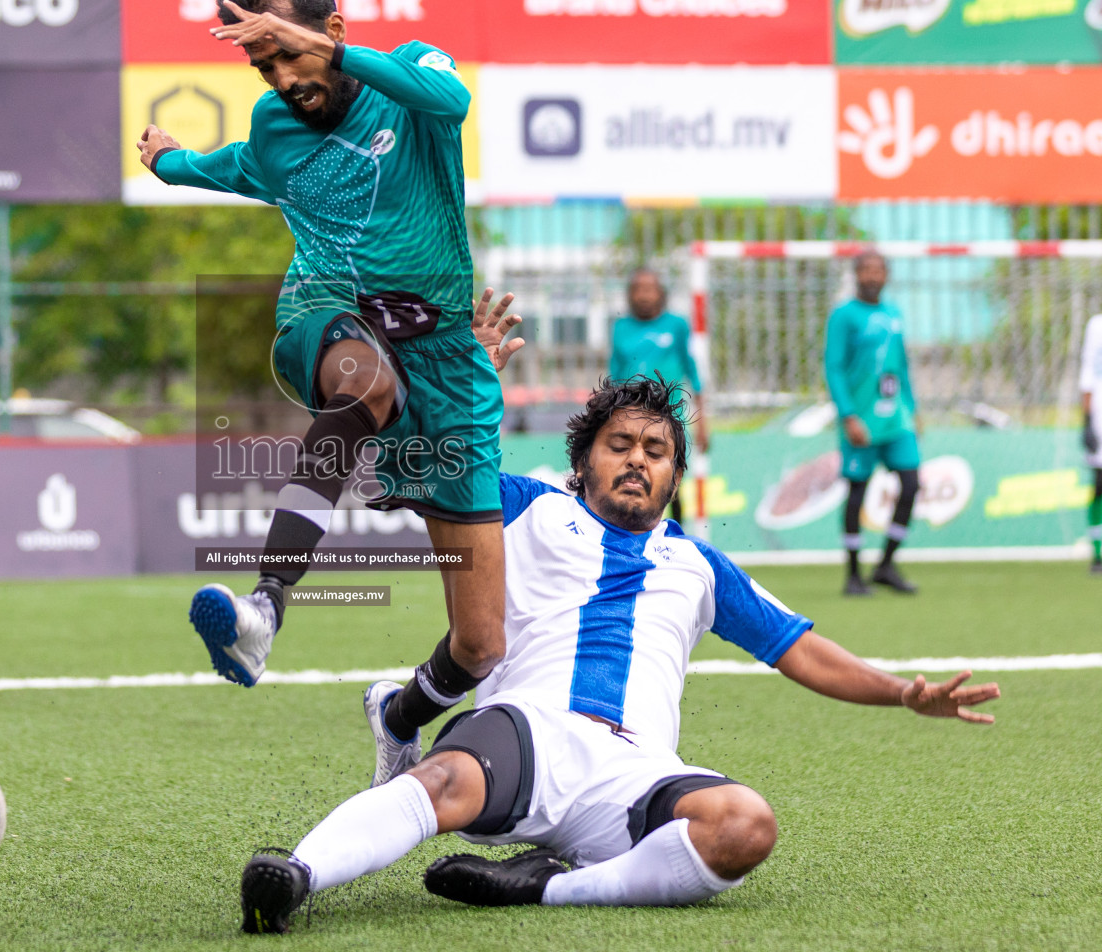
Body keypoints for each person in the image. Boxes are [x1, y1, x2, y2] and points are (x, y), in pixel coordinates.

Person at [235, 374, 999, 934]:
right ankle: (299, 873)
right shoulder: (529, 505)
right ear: (586, 460)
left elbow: (800, 649)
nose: (638, 460)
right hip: (527, 730)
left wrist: (903, 692)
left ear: (675, 473)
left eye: (657, 450)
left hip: (635, 770)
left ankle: (547, 889)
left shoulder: (701, 566)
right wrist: (448, 389)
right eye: (620, 445)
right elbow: (399, 473)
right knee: (442, 781)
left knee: (745, 827)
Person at [137, 0, 510, 765]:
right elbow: (229, 167)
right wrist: (166, 161)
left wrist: (321, 55)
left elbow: (454, 98)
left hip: (444, 362)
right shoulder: (276, 129)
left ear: (334, 31)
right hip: (323, 317)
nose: (278, 75)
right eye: (260, 60)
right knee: (365, 384)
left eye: (288, 50)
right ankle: (262, 614)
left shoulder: (412, 74)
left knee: (481, 643)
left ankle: (399, 717)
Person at [824, 252, 921, 597]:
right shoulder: (844, 315)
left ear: (886, 274)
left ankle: (885, 565)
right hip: (860, 422)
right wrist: (848, 415)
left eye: (878, 269)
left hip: (896, 418)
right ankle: (853, 573)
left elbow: (902, 364)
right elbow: (833, 367)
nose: (872, 275)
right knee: (858, 492)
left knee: (911, 485)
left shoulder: (894, 312)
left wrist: (913, 407)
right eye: (865, 269)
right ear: (856, 274)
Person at [608, 267, 708, 522]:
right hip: (630, 417)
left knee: (671, 480)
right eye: (638, 289)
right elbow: (614, 375)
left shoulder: (676, 325)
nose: (644, 295)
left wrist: (703, 421)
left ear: (661, 293)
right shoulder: (620, 327)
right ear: (630, 294)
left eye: (649, 289)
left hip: (669, 417)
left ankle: (675, 537)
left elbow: (691, 369)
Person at [1081, 311, 1102, 574]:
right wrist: (1086, 421)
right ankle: (1098, 552)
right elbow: (1088, 376)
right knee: (1099, 484)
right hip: (1100, 418)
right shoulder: (1097, 326)